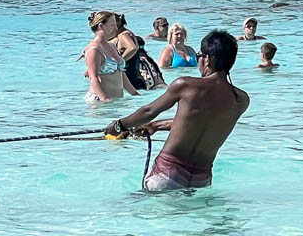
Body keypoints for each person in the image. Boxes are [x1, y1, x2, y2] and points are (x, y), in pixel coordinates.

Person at [105, 30, 250, 191]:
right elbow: (201, 123)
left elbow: (149, 111)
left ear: (208, 59)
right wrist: (156, 126)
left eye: (199, 55)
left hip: (167, 173)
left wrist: (119, 125)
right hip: (201, 181)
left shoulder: (186, 85)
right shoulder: (241, 100)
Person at [84, 11, 140, 103]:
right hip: (100, 101)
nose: (116, 28)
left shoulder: (111, 46)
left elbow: (120, 73)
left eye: (116, 25)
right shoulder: (94, 49)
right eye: (112, 25)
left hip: (116, 100)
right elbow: (93, 77)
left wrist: (134, 93)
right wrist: (104, 99)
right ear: (101, 26)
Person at [115, 15, 166, 91]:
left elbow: (132, 48)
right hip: (138, 83)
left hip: (132, 82)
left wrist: (117, 63)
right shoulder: (148, 60)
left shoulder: (123, 35)